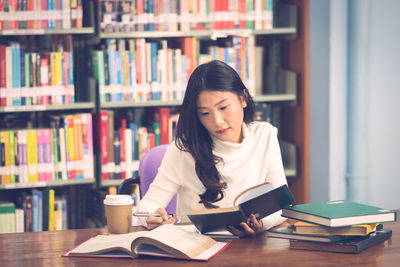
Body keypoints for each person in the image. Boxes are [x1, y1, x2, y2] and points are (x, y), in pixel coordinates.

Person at [137, 60, 287, 237]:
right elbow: (147, 204)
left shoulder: (265, 135)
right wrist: (151, 217)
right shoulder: (184, 150)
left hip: (252, 246)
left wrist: (260, 224)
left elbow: (281, 202)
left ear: (243, 99)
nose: (217, 121)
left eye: (223, 107)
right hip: (199, 248)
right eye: (205, 113)